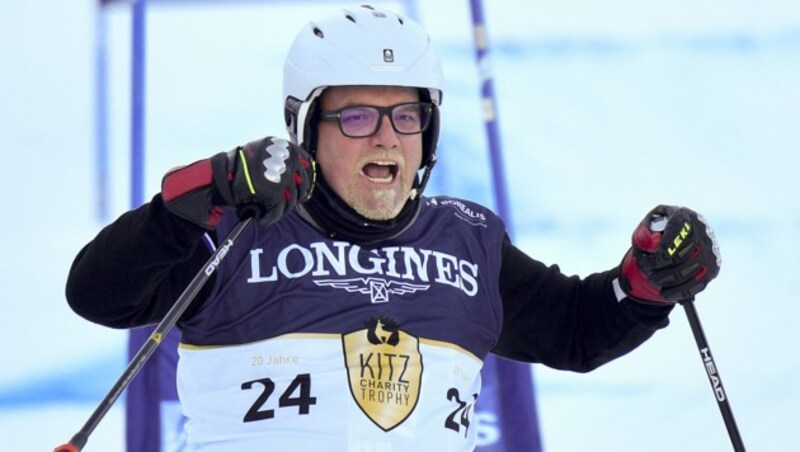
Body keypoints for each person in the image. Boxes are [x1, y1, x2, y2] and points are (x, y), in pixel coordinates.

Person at [66, 5, 721, 451]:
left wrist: (646, 285)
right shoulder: (239, 227)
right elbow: (97, 293)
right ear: (306, 131)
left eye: (406, 115)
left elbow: (576, 329)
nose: (386, 136)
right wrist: (193, 197)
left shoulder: (468, 240)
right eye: (356, 117)